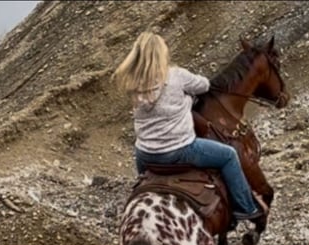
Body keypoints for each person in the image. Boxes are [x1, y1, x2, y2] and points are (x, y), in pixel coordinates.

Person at [112, 31, 266, 222]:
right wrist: (187, 98)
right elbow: (204, 85)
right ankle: (247, 208)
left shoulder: (133, 83)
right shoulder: (176, 76)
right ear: (162, 54)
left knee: (144, 178)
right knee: (228, 155)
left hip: (145, 155)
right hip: (178, 151)